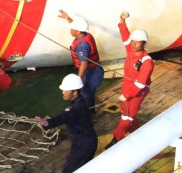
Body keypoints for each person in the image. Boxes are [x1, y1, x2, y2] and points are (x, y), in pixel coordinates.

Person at [37, 74, 98, 173]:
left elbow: (65, 116)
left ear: (75, 92)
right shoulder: (80, 100)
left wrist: (49, 123)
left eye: (66, 91)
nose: (63, 92)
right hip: (86, 140)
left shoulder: (76, 107)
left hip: (84, 143)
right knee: (81, 168)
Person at [113, 11, 154, 142]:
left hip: (137, 93)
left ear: (144, 44)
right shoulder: (131, 50)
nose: (134, 44)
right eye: (133, 41)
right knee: (127, 113)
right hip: (126, 88)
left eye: (138, 42)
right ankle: (137, 133)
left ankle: (116, 139)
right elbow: (125, 36)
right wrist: (121, 21)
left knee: (127, 118)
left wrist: (127, 95)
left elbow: (140, 84)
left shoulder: (147, 62)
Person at [58, 10, 104, 109]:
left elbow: (84, 64)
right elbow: (77, 26)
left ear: (78, 31)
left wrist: (77, 79)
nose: (70, 30)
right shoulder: (85, 34)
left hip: (93, 72)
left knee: (85, 93)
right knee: (87, 92)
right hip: (92, 69)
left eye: (72, 29)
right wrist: (67, 18)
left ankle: (88, 112)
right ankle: (90, 109)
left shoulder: (82, 46)